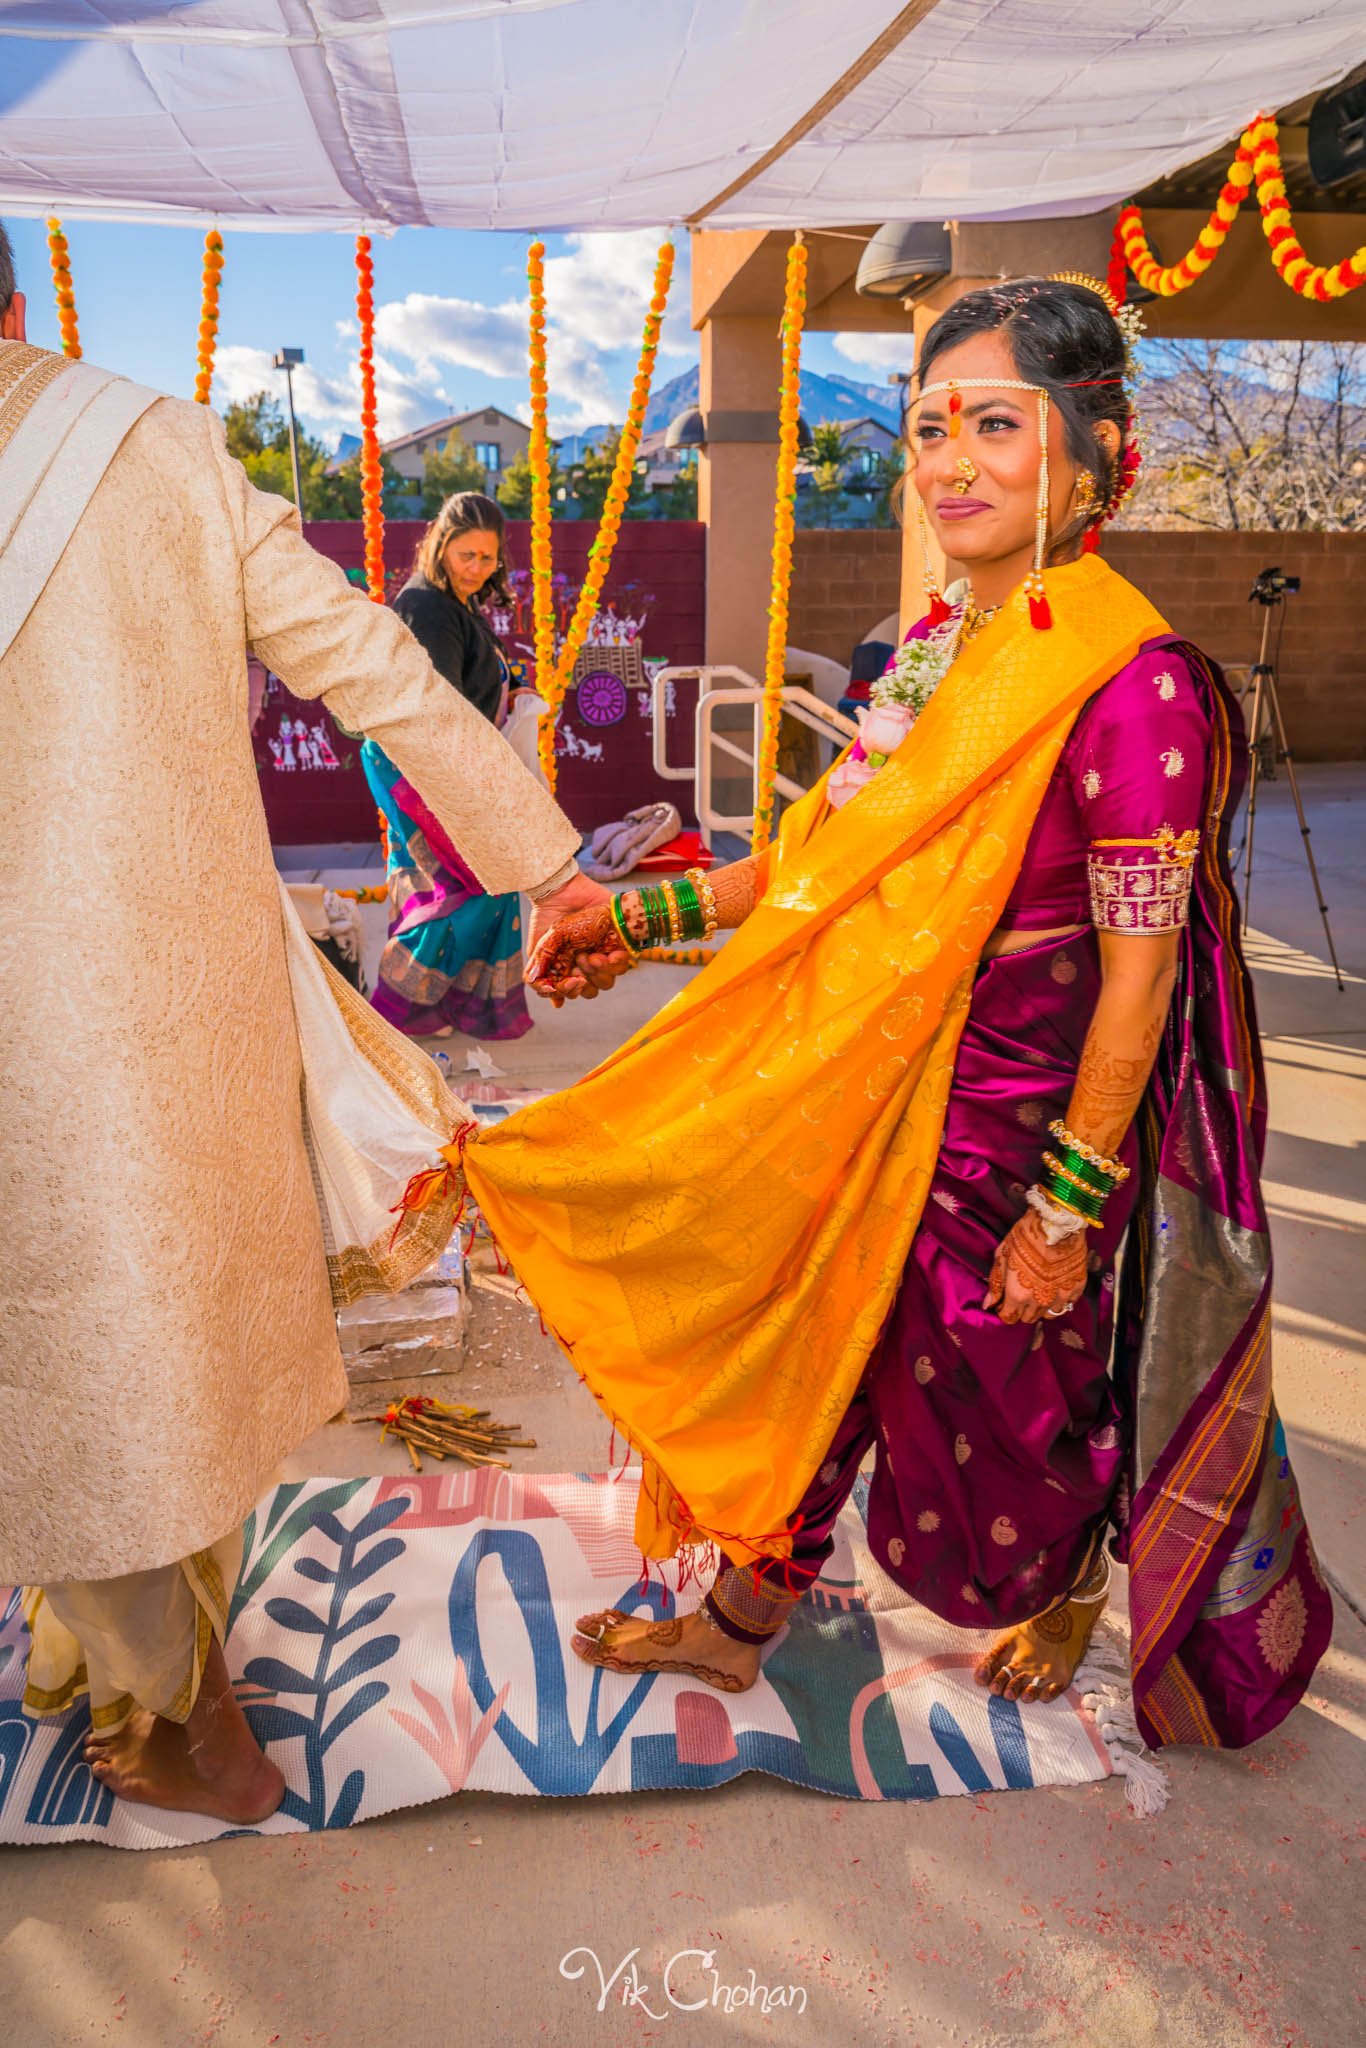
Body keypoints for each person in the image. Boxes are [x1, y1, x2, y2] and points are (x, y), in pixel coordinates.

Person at [464, 276, 1331, 1754]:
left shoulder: (1133, 695)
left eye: (994, 424)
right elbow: (813, 864)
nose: (944, 464)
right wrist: (638, 916)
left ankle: (1069, 1585)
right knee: (818, 1349)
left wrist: (1062, 1208)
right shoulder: (937, 649)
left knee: (1026, 1418)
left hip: (1022, 1135)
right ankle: (742, 1622)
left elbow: (1138, 981)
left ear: (1098, 447)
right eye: (928, 428)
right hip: (866, 1100)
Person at [0, 224, 608, 1823]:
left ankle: (114, 1656)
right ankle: (162, 1704)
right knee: (137, 1334)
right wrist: (551, 867)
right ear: (10, 299)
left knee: (47, 1334)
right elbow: (381, 674)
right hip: (135, 1000)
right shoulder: (159, 446)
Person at [362, 493, 537, 1040]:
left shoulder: (455, 603)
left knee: (450, 884)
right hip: (424, 767)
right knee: (468, 884)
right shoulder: (427, 608)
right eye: (467, 555)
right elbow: (440, 713)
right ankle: (401, 1011)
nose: (478, 569)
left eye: (488, 558)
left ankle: (442, 1004)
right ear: (440, 545)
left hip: (441, 762)